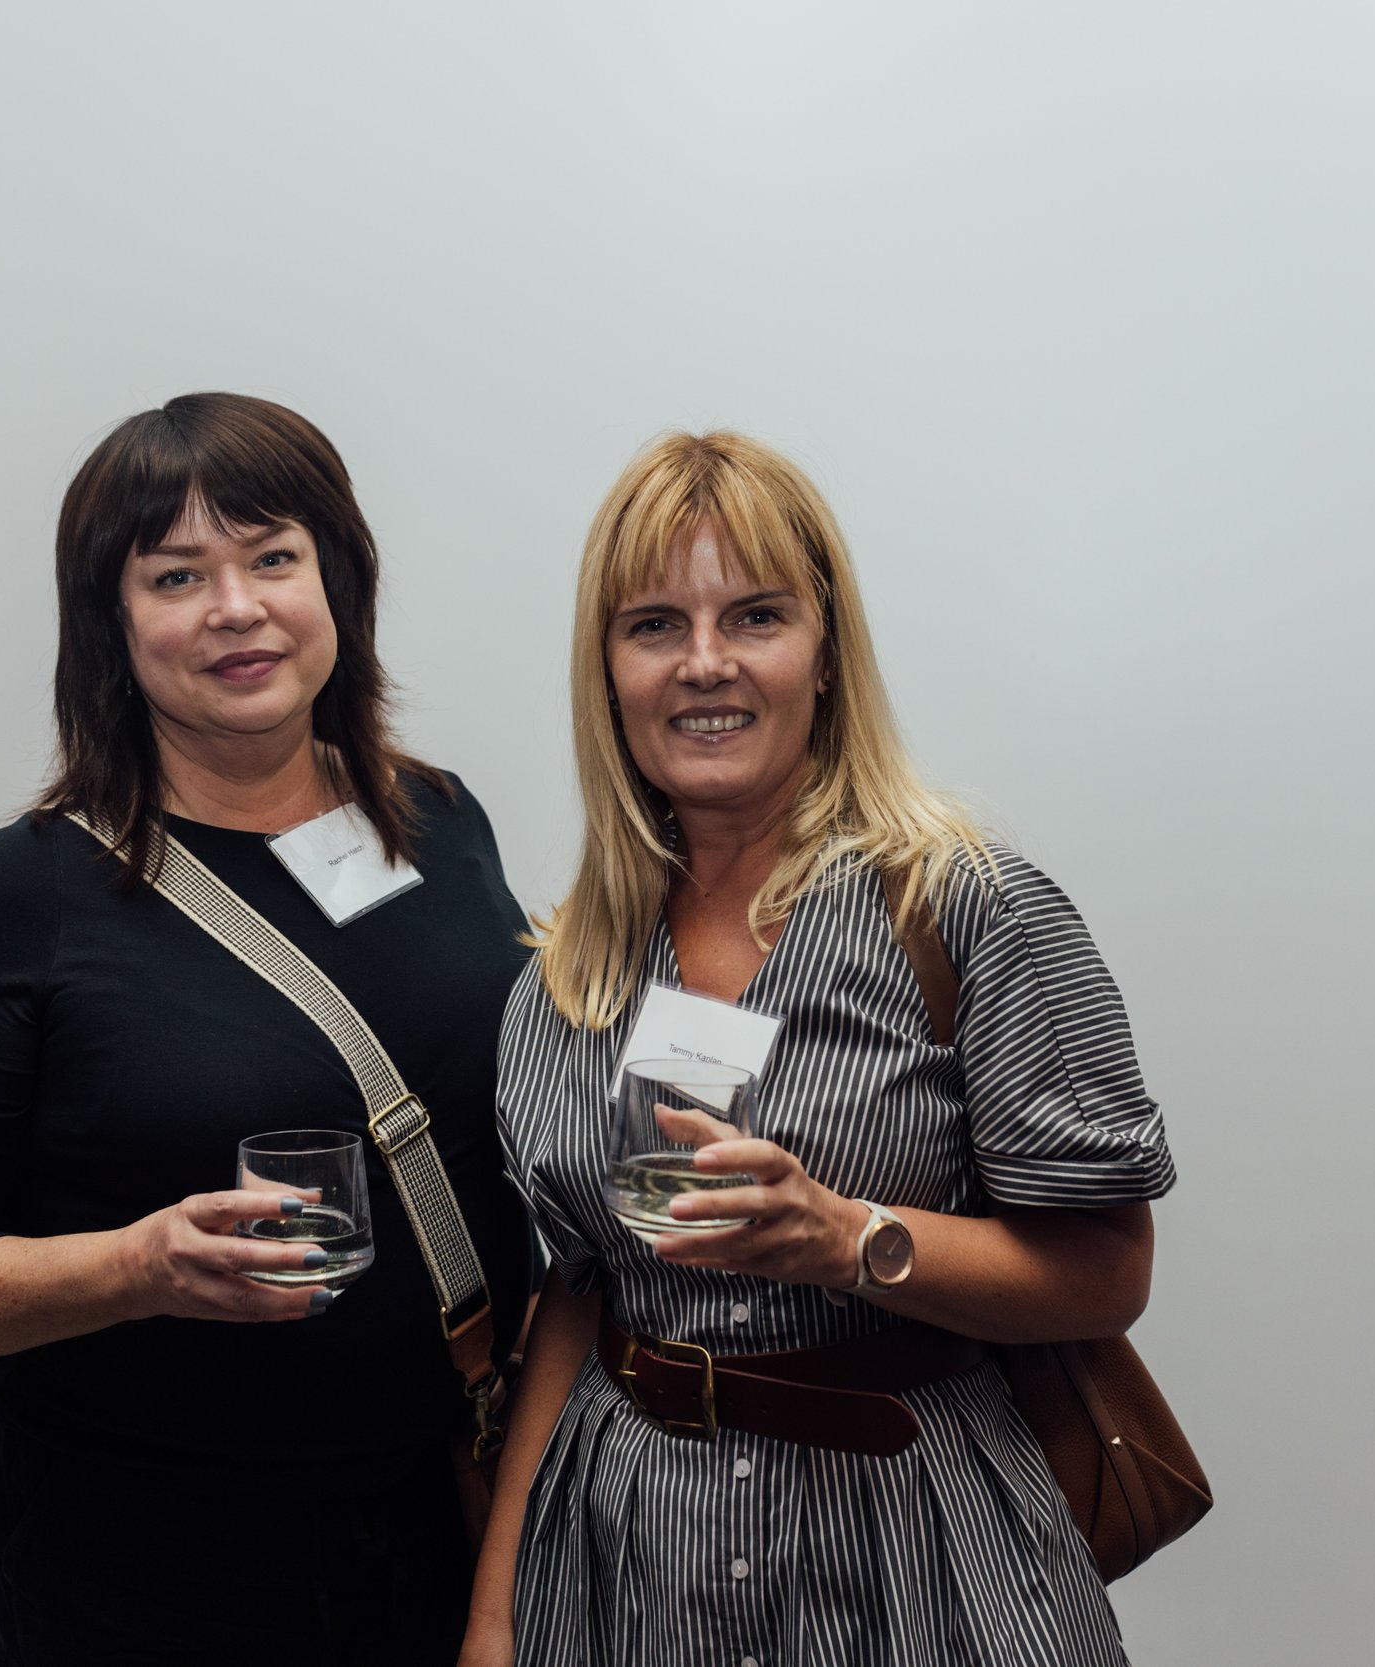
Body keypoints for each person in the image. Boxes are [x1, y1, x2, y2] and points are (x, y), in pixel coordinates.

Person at [0, 393, 533, 1666]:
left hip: (443, 1524)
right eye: (176, 574)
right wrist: (136, 1266)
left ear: (339, 580)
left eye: (273, 555)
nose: (236, 606)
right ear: (111, 625)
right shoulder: (23, 896)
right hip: (150, 1571)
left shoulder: (439, 823)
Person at [464, 431, 1176, 1666]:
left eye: (753, 615)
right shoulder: (566, 972)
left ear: (826, 650)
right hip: (627, 1567)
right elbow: (576, 1298)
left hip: (910, 1552)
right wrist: (493, 1617)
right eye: (653, 625)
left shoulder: (966, 907)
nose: (704, 663)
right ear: (606, 668)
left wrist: (850, 1240)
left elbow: (1108, 1271)